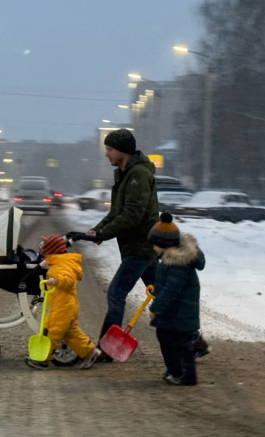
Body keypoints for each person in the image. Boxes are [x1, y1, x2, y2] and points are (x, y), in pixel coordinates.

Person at [85, 128, 159, 362]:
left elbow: (131, 215)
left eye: (109, 149)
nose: (106, 154)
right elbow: (116, 212)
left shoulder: (138, 175)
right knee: (163, 294)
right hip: (140, 246)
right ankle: (193, 342)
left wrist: (103, 234)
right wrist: (97, 231)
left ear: (122, 151)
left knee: (116, 293)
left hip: (141, 246)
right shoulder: (125, 173)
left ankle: (106, 349)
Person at [25, 234, 102, 370]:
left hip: (63, 306)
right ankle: (90, 352)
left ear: (51, 250)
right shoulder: (61, 262)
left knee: (51, 331)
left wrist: (56, 281)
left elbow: (68, 280)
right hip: (66, 305)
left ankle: (42, 360)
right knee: (70, 333)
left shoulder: (62, 264)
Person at [147, 212, 205, 386]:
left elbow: (170, 291)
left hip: (179, 315)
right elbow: (165, 287)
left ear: (164, 244)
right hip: (177, 314)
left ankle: (181, 374)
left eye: (155, 245)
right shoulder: (171, 260)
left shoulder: (177, 264)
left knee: (174, 343)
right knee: (174, 341)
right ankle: (179, 371)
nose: (153, 248)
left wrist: (155, 307)